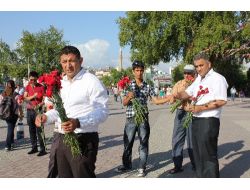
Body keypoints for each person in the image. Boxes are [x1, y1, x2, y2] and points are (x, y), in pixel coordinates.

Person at [35, 45, 109, 178]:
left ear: (81, 61)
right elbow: (59, 110)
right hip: (62, 138)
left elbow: (102, 112)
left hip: (83, 139)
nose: (68, 65)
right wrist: (45, 117)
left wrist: (78, 122)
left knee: (82, 176)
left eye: (72, 61)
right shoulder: (61, 83)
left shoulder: (91, 81)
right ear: (60, 63)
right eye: (64, 61)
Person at [173, 53, 228, 178]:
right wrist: (175, 95)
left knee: (208, 156)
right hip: (196, 120)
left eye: (201, 65)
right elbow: (187, 93)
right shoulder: (198, 79)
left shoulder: (218, 78)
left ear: (209, 64)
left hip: (209, 121)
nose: (198, 69)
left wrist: (200, 108)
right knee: (197, 155)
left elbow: (222, 100)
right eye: (196, 66)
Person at [115, 60, 171, 177]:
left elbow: (155, 100)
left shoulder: (148, 86)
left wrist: (168, 98)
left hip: (143, 118)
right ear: (133, 71)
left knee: (143, 143)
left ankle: (142, 167)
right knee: (128, 143)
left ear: (143, 71)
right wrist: (129, 96)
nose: (139, 72)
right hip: (131, 118)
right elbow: (124, 103)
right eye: (137, 70)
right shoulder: (128, 85)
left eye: (141, 70)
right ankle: (127, 165)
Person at [168, 64, 196, 174]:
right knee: (176, 139)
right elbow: (173, 95)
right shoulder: (179, 83)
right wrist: (172, 97)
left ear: (194, 74)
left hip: (192, 113)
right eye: (185, 73)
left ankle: (195, 164)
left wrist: (183, 95)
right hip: (180, 113)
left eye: (189, 73)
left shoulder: (198, 84)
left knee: (192, 141)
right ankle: (177, 165)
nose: (187, 75)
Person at [24, 71, 47, 156]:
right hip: (29, 111)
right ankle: (34, 147)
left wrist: (40, 104)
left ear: (37, 79)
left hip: (38, 111)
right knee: (31, 130)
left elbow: (45, 99)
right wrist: (33, 96)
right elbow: (25, 98)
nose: (32, 81)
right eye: (30, 79)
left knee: (39, 130)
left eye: (33, 79)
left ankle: (42, 149)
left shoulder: (41, 87)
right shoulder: (27, 87)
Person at [2, 80, 19, 151]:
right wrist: (20, 113)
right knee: (10, 129)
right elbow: (19, 105)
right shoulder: (15, 94)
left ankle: (12, 143)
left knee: (11, 128)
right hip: (14, 114)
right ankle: (7, 145)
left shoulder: (3, 93)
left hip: (6, 114)